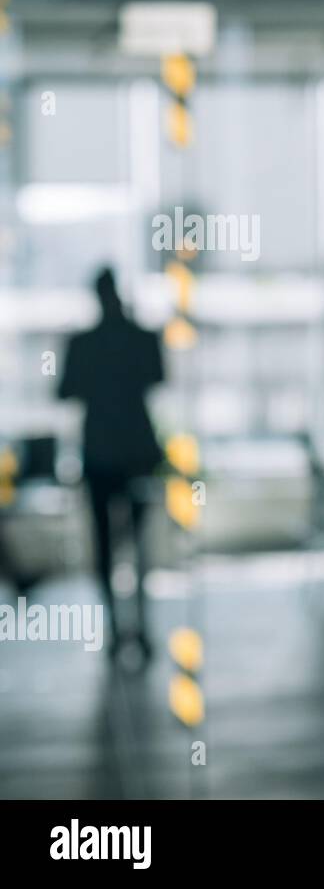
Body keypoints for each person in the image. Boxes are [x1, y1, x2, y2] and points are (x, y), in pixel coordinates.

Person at [58, 266, 165, 663]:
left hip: (102, 453)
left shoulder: (84, 344)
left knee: (106, 546)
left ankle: (116, 629)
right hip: (134, 452)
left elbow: (65, 390)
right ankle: (138, 627)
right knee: (136, 545)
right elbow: (157, 377)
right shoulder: (140, 338)